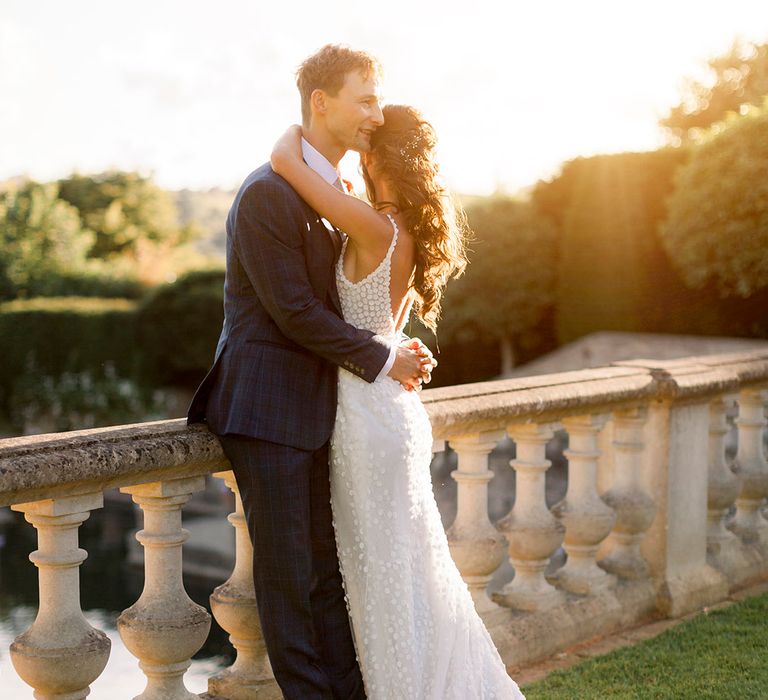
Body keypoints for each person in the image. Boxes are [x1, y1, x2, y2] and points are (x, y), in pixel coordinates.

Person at [187, 45, 435, 700]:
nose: (376, 115)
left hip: (328, 412)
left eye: (378, 100)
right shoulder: (268, 193)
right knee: (292, 582)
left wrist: (389, 343)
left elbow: (347, 301)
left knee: (327, 579)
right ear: (320, 103)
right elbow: (294, 311)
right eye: (365, 98)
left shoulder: (333, 194)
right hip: (267, 412)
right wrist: (384, 358)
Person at [270, 96, 525, 700]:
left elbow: (286, 162)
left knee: (382, 573)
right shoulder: (401, 226)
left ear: (383, 155)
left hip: (366, 414)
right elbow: (383, 323)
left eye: (372, 135)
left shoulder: (372, 223)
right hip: (391, 406)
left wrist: (296, 124)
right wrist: (400, 348)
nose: (364, 133)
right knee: (407, 570)